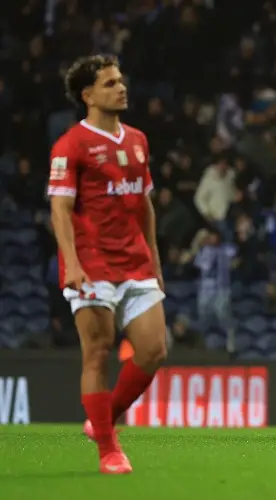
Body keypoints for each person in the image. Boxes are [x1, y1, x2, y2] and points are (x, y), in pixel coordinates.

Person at [47, 55, 168, 474]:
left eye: (121, 80)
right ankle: (108, 450)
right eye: (110, 82)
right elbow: (60, 211)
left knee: (153, 350)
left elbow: (145, 205)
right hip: (92, 264)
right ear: (88, 95)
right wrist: (73, 264)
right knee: (96, 354)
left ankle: (101, 421)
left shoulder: (137, 139)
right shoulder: (70, 145)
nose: (121, 88)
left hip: (135, 262)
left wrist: (153, 258)